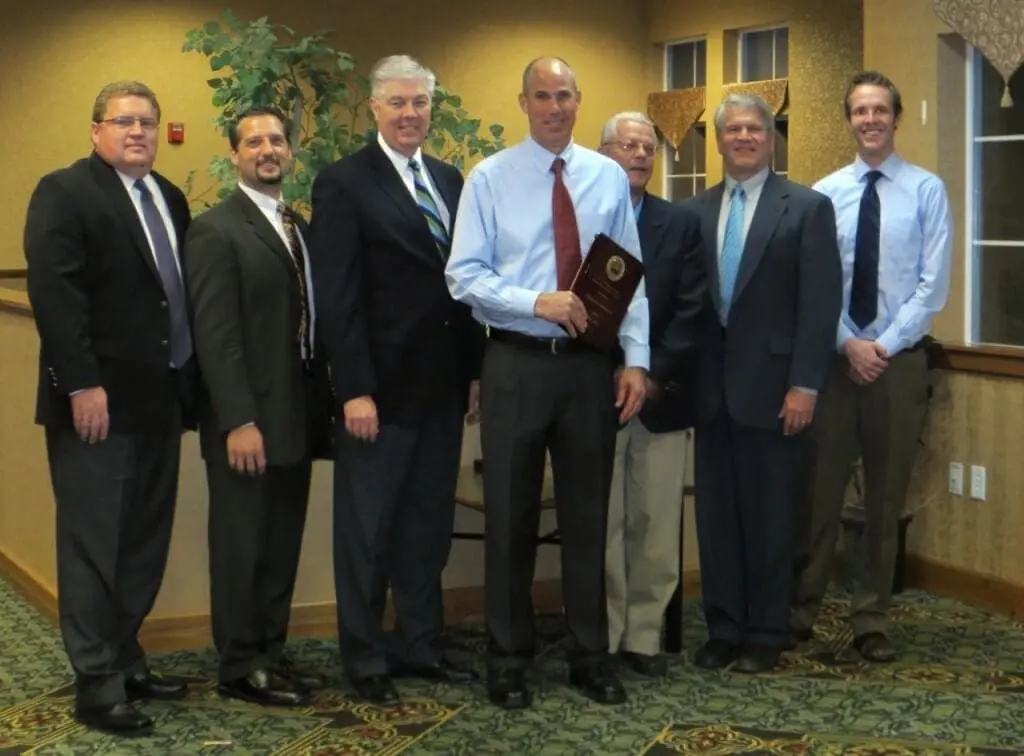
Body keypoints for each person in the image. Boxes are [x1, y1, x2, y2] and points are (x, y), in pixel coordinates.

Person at [446, 56, 649, 709]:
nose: (555, 107)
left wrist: (637, 359)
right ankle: (508, 658)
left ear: (579, 100)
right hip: (515, 363)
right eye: (542, 96)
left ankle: (590, 655)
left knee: (589, 515)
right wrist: (537, 301)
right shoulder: (490, 178)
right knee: (511, 513)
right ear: (524, 102)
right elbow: (464, 276)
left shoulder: (607, 176)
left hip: (589, 368)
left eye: (564, 95)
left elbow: (628, 274)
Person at [23, 80, 197, 736]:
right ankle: (96, 683)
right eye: (123, 121)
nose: (137, 132)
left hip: (161, 400)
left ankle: (126, 655)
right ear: (95, 129)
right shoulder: (65, 193)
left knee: (144, 539)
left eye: (148, 122)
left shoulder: (170, 199)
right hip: (97, 403)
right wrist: (80, 383)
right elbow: (57, 294)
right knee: (95, 542)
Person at [307, 55, 482, 706]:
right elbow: (338, 296)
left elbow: (463, 286)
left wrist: (473, 373)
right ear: (376, 108)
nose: (411, 114)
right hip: (376, 395)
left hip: (441, 390)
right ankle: (365, 658)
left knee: (425, 529)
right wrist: (352, 387)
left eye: (420, 104)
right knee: (367, 534)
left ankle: (418, 644)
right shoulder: (344, 182)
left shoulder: (449, 178)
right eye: (399, 103)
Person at [790, 71, 951, 662]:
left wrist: (879, 345)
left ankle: (871, 618)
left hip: (898, 364)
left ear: (897, 117)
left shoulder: (927, 191)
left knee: (884, 499)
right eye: (860, 111)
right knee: (818, 493)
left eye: (880, 109)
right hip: (834, 364)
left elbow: (932, 287)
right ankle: (800, 609)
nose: (870, 120)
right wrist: (846, 344)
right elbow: (814, 282)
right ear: (848, 120)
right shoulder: (823, 194)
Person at [184, 107, 334, 706]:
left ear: (290, 153)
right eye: (253, 142)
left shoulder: (296, 224)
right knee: (242, 546)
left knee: (279, 543)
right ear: (235, 156)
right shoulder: (216, 230)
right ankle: (239, 666)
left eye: (276, 140)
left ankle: (269, 652)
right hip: (247, 421)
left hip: (296, 413)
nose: (267, 150)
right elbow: (216, 337)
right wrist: (239, 420)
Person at [688, 93, 842, 674]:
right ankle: (724, 627)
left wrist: (805, 385)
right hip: (711, 395)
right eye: (734, 130)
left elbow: (820, 304)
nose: (744, 138)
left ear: (770, 139)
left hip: (777, 391)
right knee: (718, 517)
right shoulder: (696, 211)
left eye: (754, 129)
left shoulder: (805, 207)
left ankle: (766, 631)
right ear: (720, 141)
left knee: (772, 516)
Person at [597, 111, 704, 676]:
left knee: (656, 524)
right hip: (597, 395)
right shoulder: (583, 216)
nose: (639, 155)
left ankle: (644, 637)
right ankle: (607, 637)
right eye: (627, 145)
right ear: (603, 152)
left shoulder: (679, 224)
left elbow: (691, 310)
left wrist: (649, 371)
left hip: (661, 396)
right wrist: (614, 370)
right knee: (605, 525)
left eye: (647, 147)